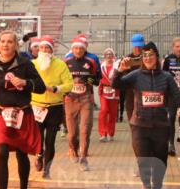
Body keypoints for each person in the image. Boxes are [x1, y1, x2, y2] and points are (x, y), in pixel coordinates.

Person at [111, 42, 180, 189]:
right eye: (145, 56)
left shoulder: (166, 77)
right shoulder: (136, 75)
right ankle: (146, 187)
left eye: (151, 55)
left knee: (160, 161)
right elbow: (115, 85)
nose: (147, 58)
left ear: (157, 57)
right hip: (140, 125)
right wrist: (119, 71)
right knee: (143, 160)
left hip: (160, 126)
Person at [0, 29, 46, 189]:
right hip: (0, 113)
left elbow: (41, 87)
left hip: (21, 114)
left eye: (10, 42)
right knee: (1, 151)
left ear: (16, 45)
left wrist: (26, 83)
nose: (5, 44)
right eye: (2, 41)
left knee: (21, 154)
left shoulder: (25, 64)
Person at [30, 36, 72, 179]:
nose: (44, 50)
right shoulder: (32, 64)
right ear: (38, 49)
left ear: (52, 50)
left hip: (55, 107)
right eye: (42, 47)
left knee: (50, 141)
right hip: (36, 107)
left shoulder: (61, 65)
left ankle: (47, 170)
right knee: (38, 139)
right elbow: (26, 82)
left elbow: (69, 85)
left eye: (47, 48)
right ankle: (39, 155)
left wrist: (55, 88)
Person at [64, 36, 100, 170]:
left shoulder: (91, 61)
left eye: (81, 48)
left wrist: (89, 80)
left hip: (86, 99)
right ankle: (73, 148)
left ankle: (84, 158)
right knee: (72, 133)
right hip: (70, 99)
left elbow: (97, 80)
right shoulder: (66, 62)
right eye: (76, 48)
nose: (78, 50)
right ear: (72, 49)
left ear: (85, 49)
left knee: (85, 129)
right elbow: (61, 81)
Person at [119, 33, 146, 122]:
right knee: (131, 115)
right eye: (135, 46)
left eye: (140, 46)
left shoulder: (147, 57)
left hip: (144, 90)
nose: (138, 48)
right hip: (130, 91)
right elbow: (120, 75)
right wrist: (125, 69)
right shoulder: (127, 58)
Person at [97, 48, 120, 142]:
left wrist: (118, 93)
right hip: (104, 92)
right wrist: (100, 90)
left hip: (114, 92)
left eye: (110, 55)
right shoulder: (101, 67)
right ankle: (103, 133)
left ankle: (111, 133)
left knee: (112, 114)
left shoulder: (117, 67)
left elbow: (119, 80)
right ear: (104, 56)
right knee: (103, 111)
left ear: (113, 56)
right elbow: (99, 79)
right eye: (107, 55)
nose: (109, 56)